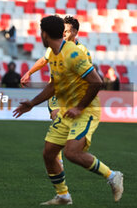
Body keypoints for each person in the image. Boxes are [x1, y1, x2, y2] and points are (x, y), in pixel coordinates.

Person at [13, 15, 123, 205]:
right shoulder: (54, 53)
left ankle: (113, 176)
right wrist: (32, 103)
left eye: (41, 33)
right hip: (66, 110)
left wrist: (80, 107)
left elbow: (97, 82)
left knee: (72, 153)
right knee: (48, 153)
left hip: (85, 110)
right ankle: (63, 195)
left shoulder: (74, 53)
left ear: (45, 34)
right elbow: (54, 85)